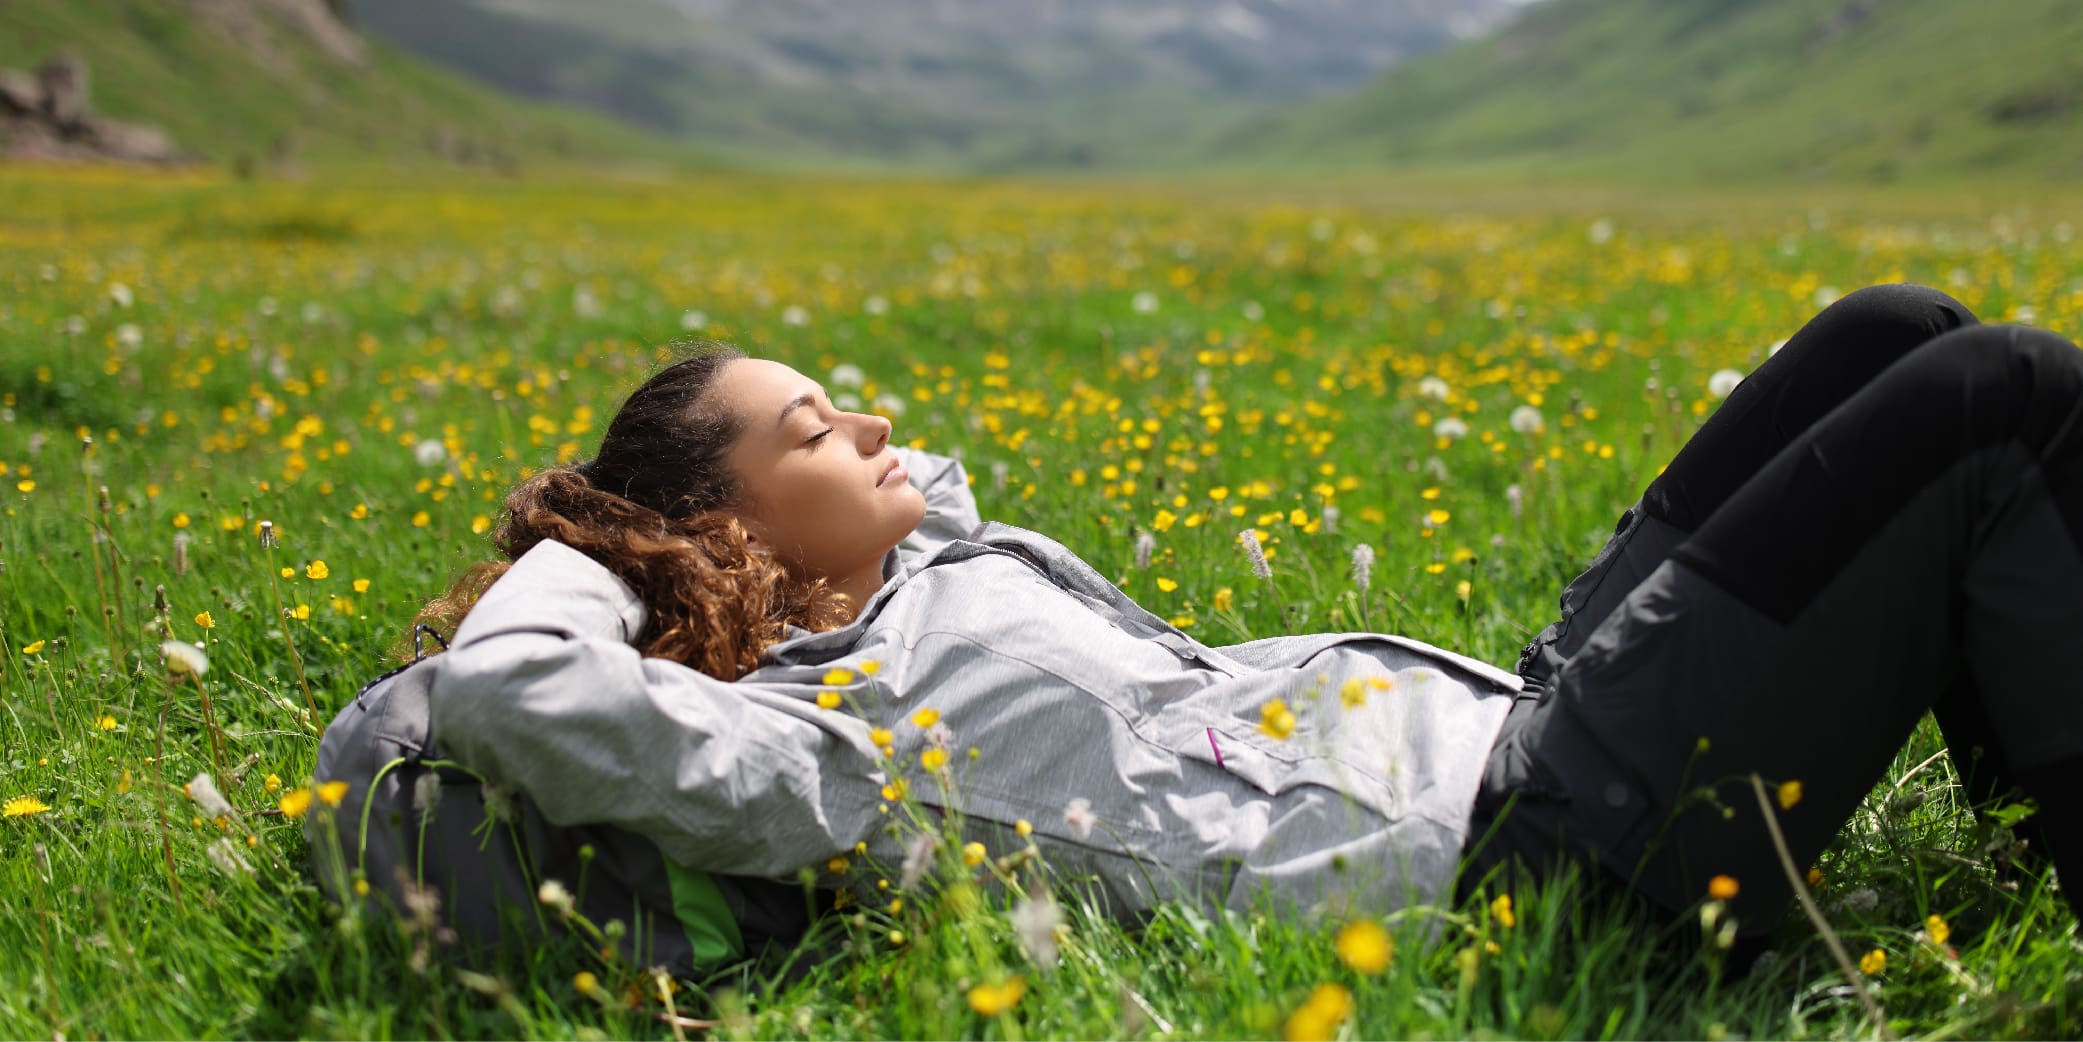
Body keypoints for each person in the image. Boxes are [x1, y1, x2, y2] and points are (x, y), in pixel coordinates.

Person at [411, 283, 2081, 969]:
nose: (867, 430)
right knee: (2004, 398)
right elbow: (518, 699)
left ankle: (2027, 806)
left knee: (1896, 329)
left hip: (1534, 716)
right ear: (718, 529)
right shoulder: (815, 743)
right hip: (1551, 850)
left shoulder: (923, 579)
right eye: (812, 427)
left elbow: (933, 486)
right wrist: (604, 544)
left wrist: (820, 494)